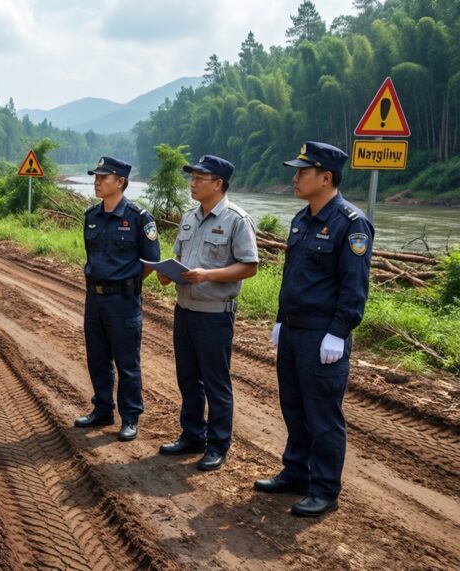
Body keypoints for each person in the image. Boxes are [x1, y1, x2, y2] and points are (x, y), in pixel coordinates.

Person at [254, 141, 374, 517]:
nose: (295, 177)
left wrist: (339, 332)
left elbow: (354, 287)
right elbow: (292, 277)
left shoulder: (351, 225)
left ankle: (324, 488)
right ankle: (295, 472)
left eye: (302, 172)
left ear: (325, 177)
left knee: (323, 417)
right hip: (293, 330)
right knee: (294, 408)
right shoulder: (301, 219)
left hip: (323, 336)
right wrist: (279, 318)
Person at [156, 155, 258, 471]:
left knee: (215, 382)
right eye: (193, 177)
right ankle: (191, 435)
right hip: (184, 309)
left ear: (218, 184)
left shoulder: (236, 220)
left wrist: (208, 275)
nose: (193, 183)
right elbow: (179, 257)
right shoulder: (189, 217)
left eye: (201, 178)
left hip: (215, 314)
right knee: (187, 378)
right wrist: (165, 273)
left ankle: (217, 445)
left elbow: (249, 267)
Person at [75, 156, 161, 441]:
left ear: (121, 182)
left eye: (104, 177)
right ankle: (102, 408)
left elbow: (151, 262)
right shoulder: (91, 216)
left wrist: (126, 283)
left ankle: (130, 417)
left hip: (123, 301)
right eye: (96, 177)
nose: (97, 181)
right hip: (94, 298)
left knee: (127, 362)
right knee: (97, 357)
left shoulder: (139, 218)